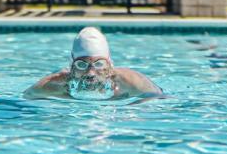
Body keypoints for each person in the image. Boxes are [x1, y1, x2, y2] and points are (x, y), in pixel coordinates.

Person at [24, 27, 163, 101]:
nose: (90, 73)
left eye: (99, 64)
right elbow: (24, 101)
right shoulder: (51, 85)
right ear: (71, 67)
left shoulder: (132, 82)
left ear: (110, 66)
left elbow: (161, 100)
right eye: (82, 65)